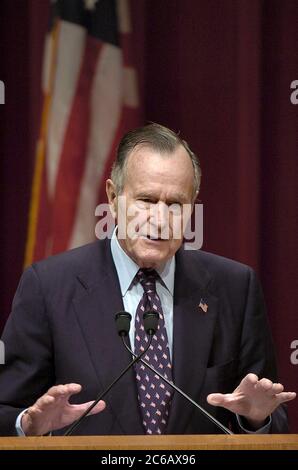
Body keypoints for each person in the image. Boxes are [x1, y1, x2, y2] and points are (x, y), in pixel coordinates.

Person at [0, 123, 295, 436]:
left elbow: (272, 419)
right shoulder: (48, 287)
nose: (159, 219)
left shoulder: (235, 288)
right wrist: (28, 424)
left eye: (175, 205)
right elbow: (6, 411)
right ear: (113, 197)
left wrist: (255, 420)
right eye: (146, 200)